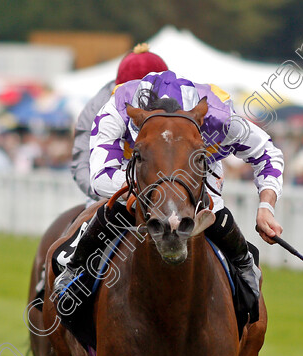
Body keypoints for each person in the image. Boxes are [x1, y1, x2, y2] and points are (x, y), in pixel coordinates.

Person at [55, 69, 285, 318]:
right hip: (141, 174)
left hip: (196, 174)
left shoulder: (220, 118)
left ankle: (244, 269)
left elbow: (267, 153)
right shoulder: (119, 108)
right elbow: (100, 176)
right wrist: (152, 193)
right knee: (112, 211)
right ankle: (76, 268)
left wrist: (267, 208)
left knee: (216, 213)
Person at [71, 43, 168, 204]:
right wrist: (108, 192)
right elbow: (82, 160)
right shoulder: (98, 107)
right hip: (109, 193)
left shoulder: (179, 104)